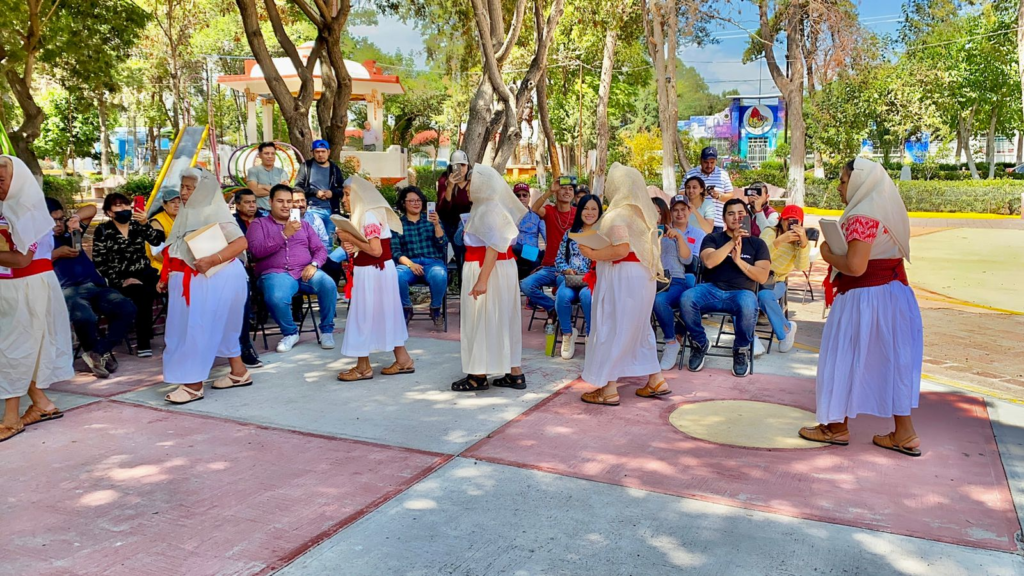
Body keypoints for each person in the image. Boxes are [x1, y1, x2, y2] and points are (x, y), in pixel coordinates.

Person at [799, 158, 923, 457]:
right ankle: (904, 433)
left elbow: (855, 266)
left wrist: (827, 253)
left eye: (843, 180)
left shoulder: (862, 214)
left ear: (859, 183)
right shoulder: (889, 207)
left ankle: (835, 426)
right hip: (896, 296)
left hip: (864, 298)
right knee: (894, 361)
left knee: (843, 355)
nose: (840, 186)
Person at [160, 168, 252, 404]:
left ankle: (193, 384)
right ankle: (239, 372)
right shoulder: (188, 213)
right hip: (195, 278)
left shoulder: (214, 212)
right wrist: (165, 276)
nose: (183, 192)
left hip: (214, 278)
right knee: (210, 328)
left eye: (190, 187)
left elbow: (241, 242)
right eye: (183, 187)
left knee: (199, 328)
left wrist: (212, 260)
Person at [578, 163, 667, 406]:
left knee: (613, 326)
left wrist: (591, 252)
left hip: (623, 276)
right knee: (638, 327)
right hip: (642, 276)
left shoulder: (618, 214)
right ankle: (656, 379)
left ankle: (608, 388)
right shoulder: (644, 213)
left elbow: (620, 249)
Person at [0, 155, 74, 442]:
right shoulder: (5, 208)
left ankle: (10, 420)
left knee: (15, 348)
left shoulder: (29, 212)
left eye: (2, 180)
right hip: (9, 287)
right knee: (18, 348)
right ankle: (42, 404)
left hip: (27, 286)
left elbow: (20, 259)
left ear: (17, 180)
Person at [451, 164, 526, 392]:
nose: (468, 186)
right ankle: (514, 372)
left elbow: (493, 246)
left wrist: (482, 279)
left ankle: (478, 374)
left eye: (472, 182)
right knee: (504, 318)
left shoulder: (487, 209)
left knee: (480, 318)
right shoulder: (494, 207)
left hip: (487, 268)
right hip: (502, 268)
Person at [681, 198, 771, 378]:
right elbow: (709, 261)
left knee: (748, 303)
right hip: (711, 289)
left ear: (748, 217)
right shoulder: (713, 238)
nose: (736, 218)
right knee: (687, 298)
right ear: (724, 218)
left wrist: (738, 261)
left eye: (741, 214)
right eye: (731, 214)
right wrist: (732, 242)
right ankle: (700, 343)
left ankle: (741, 349)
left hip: (741, 293)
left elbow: (762, 276)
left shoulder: (757, 244)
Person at [336, 175, 414, 380]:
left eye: (346, 195)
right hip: (375, 271)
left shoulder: (368, 215)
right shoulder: (366, 213)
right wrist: (350, 244)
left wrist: (349, 238)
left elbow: (376, 250)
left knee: (363, 315)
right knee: (386, 313)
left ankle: (363, 367)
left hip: (373, 271)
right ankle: (403, 360)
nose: (343, 199)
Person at [47, 198, 136, 378]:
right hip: (68, 290)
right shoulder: (40, 241)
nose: (58, 224)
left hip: (95, 286)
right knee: (84, 317)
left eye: (61, 219)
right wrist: (56, 254)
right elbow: (29, 262)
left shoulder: (71, 232)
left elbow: (91, 209)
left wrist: (74, 218)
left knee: (127, 308)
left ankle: (99, 351)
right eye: (53, 220)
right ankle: (98, 353)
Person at [247, 184, 337, 353]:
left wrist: (314, 264)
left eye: (289, 201)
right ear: (270, 201)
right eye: (280, 201)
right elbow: (256, 251)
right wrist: (284, 234)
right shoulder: (258, 224)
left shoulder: (304, 225)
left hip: (304, 271)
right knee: (276, 296)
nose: (286, 205)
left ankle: (326, 331)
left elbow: (320, 249)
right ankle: (290, 333)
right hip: (276, 273)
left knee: (328, 284)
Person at [92, 192, 166, 358]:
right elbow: (99, 262)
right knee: (143, 294)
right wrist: (121, 280)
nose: (124, 209)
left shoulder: (137, 225)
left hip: (144, 272)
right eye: (118, 206)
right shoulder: (103, 230)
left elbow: (156, 240)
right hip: (121, 278)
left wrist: (145, 223)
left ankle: (175, 337)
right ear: (109, 212)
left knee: (171, 284)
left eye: (126, 205)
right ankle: (143, 343)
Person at [655, 194, 706, 370]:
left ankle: (672, 340)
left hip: (677, 279)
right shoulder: (652, 233)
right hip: (652, 279)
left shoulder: (691, 234)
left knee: (661, 301)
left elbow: (690, 262)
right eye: (675, 209)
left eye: (682, 209)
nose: (679, 213)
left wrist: (678, 237)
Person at [521, 176, 577, 325]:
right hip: (548, 267)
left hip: (568, 269)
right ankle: (552, 308)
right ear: (557, 192)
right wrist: (549, 191)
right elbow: (534, 209)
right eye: (563, 188)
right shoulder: (550, 211)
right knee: (525, 285)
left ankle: (560, 319)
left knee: (563, 289)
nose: (567, 191)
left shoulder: (578, 214)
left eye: (570, 189)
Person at [553, 194, 601, 360]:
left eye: (594, 209)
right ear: (580, 210)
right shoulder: (571, 234)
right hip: (572, 279)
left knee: (587, 296)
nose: (589, 212)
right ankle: (568, 334)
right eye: (586, 208)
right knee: (562, 296)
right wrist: (566, 270)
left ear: (599, 211)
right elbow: (558, 259)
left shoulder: (602, 234)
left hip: (592, 280)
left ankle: (590, 336)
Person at [393, 186, 448, 328]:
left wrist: (436, 225)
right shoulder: (398, 224)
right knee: (397, 275)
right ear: (403, 203)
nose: (416, 203)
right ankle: (406, 309)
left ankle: (435, 309)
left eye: (418, 200)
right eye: (411, 201)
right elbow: (395, 252)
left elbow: (442, 244)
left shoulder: (431, 220)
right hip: (408, 264)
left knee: (440, 274)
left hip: (432, 262)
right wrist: (411, 264)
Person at [758, 204, 808, 353]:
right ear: (781, 220)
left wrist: (804, 245)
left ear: (800, 223)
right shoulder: (770, 232)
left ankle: (785, 331)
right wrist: (779, 241)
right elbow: (759, 256)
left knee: (764, 296)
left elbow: (801, 266)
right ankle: (749, 339)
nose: (790, 224)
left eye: (795, 221)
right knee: (743, 297)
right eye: (788, 220)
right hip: (756, 276)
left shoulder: (800, 242)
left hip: (777, 280)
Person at [231, 188, 265, 368]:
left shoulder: (264, 220)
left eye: (254, 202)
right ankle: (242, 345)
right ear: (237, 205)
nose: (252, 206)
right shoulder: (231, 223)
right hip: (242, 267)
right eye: (247, 202)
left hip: (265, 265)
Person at [293, 188, 344, 286]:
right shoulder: (286, 221)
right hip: (297, 261)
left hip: (316, 257)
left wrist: (316, 260)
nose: (301, 204)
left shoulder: (315, 219)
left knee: (334, 264)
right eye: (296, 201)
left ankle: (333, 291)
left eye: (303, 200)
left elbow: (324, 242)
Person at [295, 139, 345, 238]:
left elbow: (343, 189)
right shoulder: (306, 167)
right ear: (313, 153)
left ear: (328, 152)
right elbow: (297, 187)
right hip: (312, 209)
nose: (320, 154)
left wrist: (332, 193)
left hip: (331, 210)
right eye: (317, 152)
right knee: (312, 239)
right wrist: (315, 192)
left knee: (329, 242)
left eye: (323, 151)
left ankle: (327, 254)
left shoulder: (335, 169)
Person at [437, 151, 472, 282]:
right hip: (450, 225)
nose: (461, 169)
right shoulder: (444, 180)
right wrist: (450, 187)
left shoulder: (473, 180)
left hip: (469, 225)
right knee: (453, 253)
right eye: (457, 165)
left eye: (463, 165)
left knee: (466, 259)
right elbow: (443, 209)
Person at [684, 146, 734, 232]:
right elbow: (681, 194)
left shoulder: (723, 174)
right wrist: (701, 193)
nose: (709, 165)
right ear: (700, 160)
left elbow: (731, 195)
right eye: (706, 162)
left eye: (712, 162)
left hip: (717, 222)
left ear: (716, 161)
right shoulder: (690, 174)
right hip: (694, 220)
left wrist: (719, 196)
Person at [512, 183, 545, 278]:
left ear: (529, 197)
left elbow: (547, 237)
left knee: (536, 260)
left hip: (530, 255)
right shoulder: (508, 216)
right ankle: (540, 254)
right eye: (518, 195)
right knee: (514, 246)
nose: (521, 198)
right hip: (514, 254)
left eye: (524, 195)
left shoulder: (537, 217)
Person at [246, 142, 290, 212]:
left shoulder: (282, 172)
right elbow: (254, 192)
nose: (270, 156)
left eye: (273, 154)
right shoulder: (253, 171)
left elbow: (284, 193)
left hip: (279, 211)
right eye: (266, 153)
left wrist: (262, 186)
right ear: (260, 155)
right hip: (260, 212)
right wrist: (276, 190)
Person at [147, 187, 180, 270]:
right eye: (172, 202)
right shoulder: (156, 222)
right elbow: (157, 253)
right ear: (164, 205)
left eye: (180, 202)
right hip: (160, 268)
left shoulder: (182, 219)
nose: (177, 205)